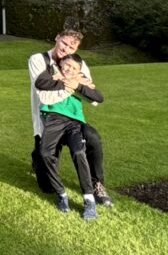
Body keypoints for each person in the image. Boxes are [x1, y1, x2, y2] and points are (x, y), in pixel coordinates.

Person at [28, 29, 113, 207]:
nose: (66, 48)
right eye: (64, 43)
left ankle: (97, 184)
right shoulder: (39, 60)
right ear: (57, 38)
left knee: (93, 138)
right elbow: (43, 91)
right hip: (48, 120)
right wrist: (73, 84)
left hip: (72, 120)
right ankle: (38, 160)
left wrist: (78, 86)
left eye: (71, 47)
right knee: (47, 186)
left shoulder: (77, 63)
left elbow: (93, 97)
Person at [37, 53, 104, 218]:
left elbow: (99, 97)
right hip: (53, 119)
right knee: (45, 154)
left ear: (79, 71)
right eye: (66, 65)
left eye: (74, 68)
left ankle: (89, 199)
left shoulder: (80, 81)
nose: (69, 69)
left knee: (79, 151)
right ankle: (61, 194)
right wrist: (60, 80)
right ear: (60, 65)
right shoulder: (52, 77)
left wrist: (79, 85)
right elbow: (40, 83)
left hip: (74, 122)